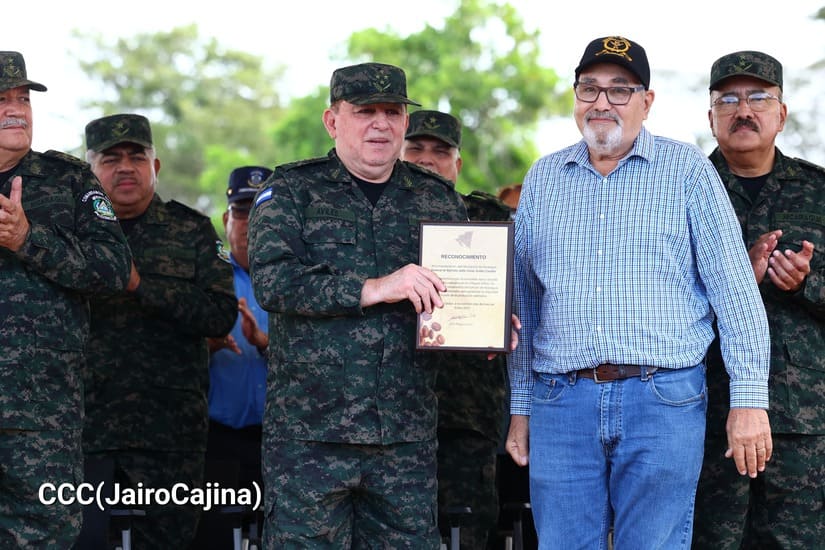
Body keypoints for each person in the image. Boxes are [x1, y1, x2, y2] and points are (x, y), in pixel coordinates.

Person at [505, 36, 773, 549]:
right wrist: (521, 407)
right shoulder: (543, 178)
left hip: (662, 399)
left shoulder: (687, 171)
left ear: (646, 102)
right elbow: (524, 307)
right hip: (561, 402)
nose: (601, 102)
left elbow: (736, 294)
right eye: (589, 88)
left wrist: (748, 400)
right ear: (575, 97)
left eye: (620, 90)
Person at [248, 62, 470, 548]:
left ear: (405, 122)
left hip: (404, 437)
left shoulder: (437, 200)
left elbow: (456, 292)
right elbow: (273, 282)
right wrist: (373, 287)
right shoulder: (290, 191)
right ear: (333, 121)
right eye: (365, 111)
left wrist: (486, 321)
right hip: (310, 438)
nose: (380, 124)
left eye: (392, 112)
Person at [80, 113, 237, 548]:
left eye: (136, 157)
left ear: (156, 166)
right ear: (89, 170)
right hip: (87, 430)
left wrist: (141, 286)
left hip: (170, 435)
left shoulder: (192, 230)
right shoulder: (73, 233)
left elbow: (220, 315)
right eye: (111, 159)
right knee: (81, 540)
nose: (125, 168)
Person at [693, 51, 825, 549]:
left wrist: (806, 284)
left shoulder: (818, 190)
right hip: (707, 412)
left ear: (781, 114)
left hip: (804, 422)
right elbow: (651, 296)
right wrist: (731, 283)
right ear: (711, 117)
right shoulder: (681, 190)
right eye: (728, 100)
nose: (743, 110)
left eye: (758, 98)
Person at [0, 51, 131, 548]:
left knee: (44, 536)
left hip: (40, 414)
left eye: (23, 98)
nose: (16, 110)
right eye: (1, 99)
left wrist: (28, 240)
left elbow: (114, 270)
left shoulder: (69, 180)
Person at [402, 109, 510, 550]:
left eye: (440, 151)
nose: (427, 159)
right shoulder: (369, 216)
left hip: (467, 411)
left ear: (457, 164)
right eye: (416, 148)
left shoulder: (488, 218)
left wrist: (508, 314)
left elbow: (526, 286)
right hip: (390, 413)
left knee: (468, 532)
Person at [192, 165, 272, 550]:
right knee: (216, 539)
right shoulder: (207, 278)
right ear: (226, 220)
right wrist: (209, 343)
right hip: (217, 441)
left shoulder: (294, 281)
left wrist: (265, 342)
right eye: (242, 212)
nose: (250, 223)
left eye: (261, 213)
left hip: (279, 443)